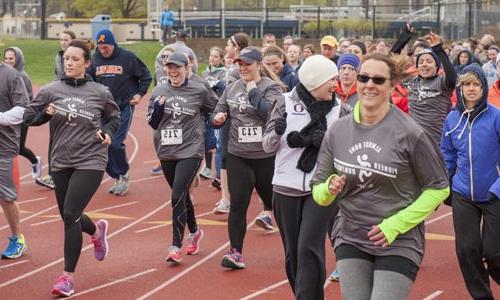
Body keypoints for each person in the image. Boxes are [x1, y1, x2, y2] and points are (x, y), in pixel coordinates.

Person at [311, 53, 450, 300]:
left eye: (378, 79)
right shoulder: (338, 130)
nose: (369, 85)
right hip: (351, 234)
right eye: (364, 78)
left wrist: (395, 225)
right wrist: (329, 188)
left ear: (392, 85)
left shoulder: (410, 132)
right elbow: (318, 190)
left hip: (398, 240)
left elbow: (439, 188)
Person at [23, 40, 120, 296]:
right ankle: (96, 231)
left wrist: (107, 132)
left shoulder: (99, 92)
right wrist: (45, 114)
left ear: (87, 64)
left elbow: (114, 117)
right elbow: (28, 118)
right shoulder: (51, 90)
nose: (69, 62)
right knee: (69, 216)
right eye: (67, 58)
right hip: (61, 160)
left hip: (91, 160)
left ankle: (67, 277)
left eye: (76, 59)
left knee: (71, 211)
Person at [263, 55, 350, 299]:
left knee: (309, 248)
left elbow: (347, 147)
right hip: (285, 186)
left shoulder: (341, 109)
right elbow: (267, 146)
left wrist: (327, 145)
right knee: (292, 253)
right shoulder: (284, 103)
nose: (336, 84)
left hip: (321, 188)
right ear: (315, 81)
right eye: (331, 79)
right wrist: (276, 133)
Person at [211, 47, 283, 269]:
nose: (243, 68)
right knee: (238, 204)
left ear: (258, 65)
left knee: (279, 207)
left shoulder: (272, 88)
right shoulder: (231, 88)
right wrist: (218, 118)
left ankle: (296, 248)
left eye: (247, 64)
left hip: (266, 157)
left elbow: (270, 113)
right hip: (239, 155)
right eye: (239, 64)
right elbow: (216, 112)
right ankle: (236, 253)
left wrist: (253, 91)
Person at [148, 52, 215, 264]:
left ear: (187, 68)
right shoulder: (159, 90)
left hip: (191, 149)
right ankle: (194, 231)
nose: (173, 71)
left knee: (177, 194)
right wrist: (158, 108)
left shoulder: (199, 90)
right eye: (169, 67)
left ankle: (175, 245)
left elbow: (215, 109)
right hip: (167, 150)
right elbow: (152, 122)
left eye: (177, 67)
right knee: (181, 195)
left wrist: (216, 122)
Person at [441, 64, 500, 300]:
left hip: (494, 193)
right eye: (467, 84)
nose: (472, 89)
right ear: (460, 88)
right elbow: (447, 153)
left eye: (476, 84)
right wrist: (447, 182)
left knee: (493, 253)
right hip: (463, 193)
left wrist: (498, 187)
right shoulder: (453, 119)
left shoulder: (496, 116)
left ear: (483, 87)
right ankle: (482, 297)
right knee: (467, 250)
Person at [89, 29, 152, 196]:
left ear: (113, 44)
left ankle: (123, 174)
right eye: (100, 47)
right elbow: (89, 83)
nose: (103, 51)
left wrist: (139, 94)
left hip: (124, 107)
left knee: (116, 142)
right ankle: (116, 176)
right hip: (103, 110)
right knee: (102, 144)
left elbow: (146, 76)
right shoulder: (94, 60)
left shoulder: (128, 57)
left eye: (106, 47)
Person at [0, 55, 30, 259]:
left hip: (3, 146)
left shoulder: (11, 75)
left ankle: (17, 237)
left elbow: (23, 109)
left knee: (6, 196)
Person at [406, 32, 456, 146]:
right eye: (421, 62)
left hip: (437, 142)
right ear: (417, 66)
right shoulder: (412, 82)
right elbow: (390, 68)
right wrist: (404, 38)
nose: (424, 64)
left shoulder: (442, 82)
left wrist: (438, 50)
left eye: (429, 61)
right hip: (414, 142)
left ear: (436, 67)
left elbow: (453, 79)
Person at [3, 47, 42, 180]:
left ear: (18, 59)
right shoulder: (4, 75)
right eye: (6, 58)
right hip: (6, 115)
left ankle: (35, 161)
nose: (8, 61)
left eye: (11, 58)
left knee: (18, 148)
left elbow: (28, 101)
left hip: (22, 117)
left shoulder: (22, 76)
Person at [201, 46, 226, 180]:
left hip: (217, 109)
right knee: (206, 139)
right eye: (211, 56)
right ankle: (207, 167)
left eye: (216, 56)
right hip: (206, 108)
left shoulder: (223, 73)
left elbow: (223, 90)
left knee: (217, 142)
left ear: (221, 59)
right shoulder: (204, 73)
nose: (212, 59)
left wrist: (217, 84)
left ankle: (218, 173)